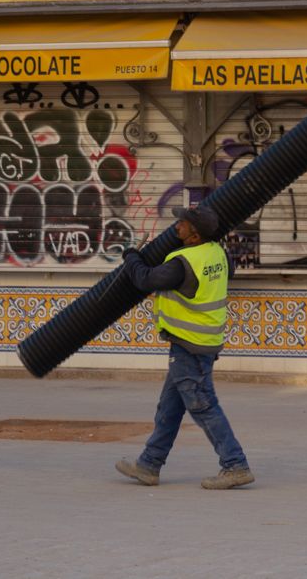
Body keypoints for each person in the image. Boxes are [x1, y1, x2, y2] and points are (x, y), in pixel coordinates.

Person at [115, 204, 254, 490]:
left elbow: (145, 280)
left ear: (194, 234)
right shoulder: (218, 253)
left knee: (203, 406)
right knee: (169, 407)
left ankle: (235, 464)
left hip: (190, 346)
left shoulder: (183, 262)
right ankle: (149, 465)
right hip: (201, 341)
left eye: (182, 223)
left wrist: (131, 257)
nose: (176, 226)